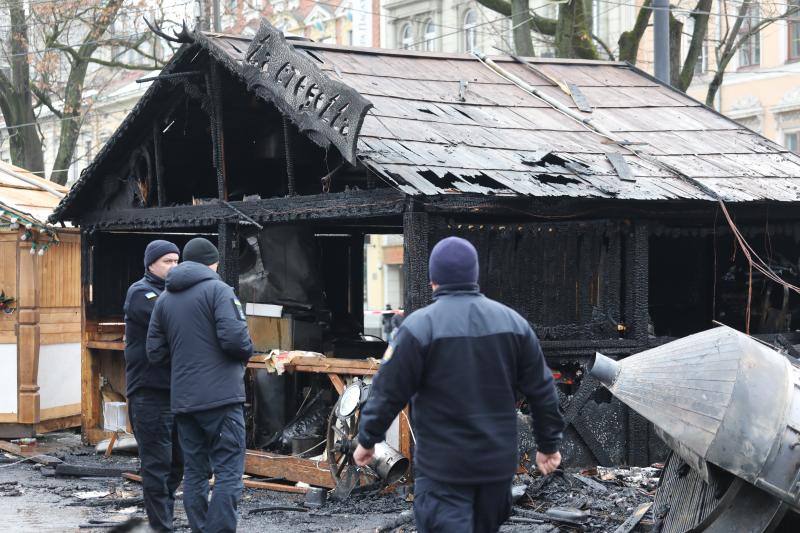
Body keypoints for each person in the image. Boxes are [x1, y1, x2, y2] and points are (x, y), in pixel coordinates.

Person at [355, 236, 566, 533]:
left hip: (444, 469)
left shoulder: (418, 328)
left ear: (433, 280)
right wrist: (548, 446)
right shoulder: (513, 324)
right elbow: (543, 391)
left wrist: (367, 439)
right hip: (496, 470)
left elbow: (388, 391)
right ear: (475, 276)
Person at [147, 238, 253, 533]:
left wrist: (185, 367)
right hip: (221, 399)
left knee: (194, 471)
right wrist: (246, 352)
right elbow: (235, 339)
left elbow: (154, 353)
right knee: (228, 471)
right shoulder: (219, 290)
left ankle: (200, 528)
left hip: (184, 401)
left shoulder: (165, 299)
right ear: (213, 262)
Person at [123, 240, 183, 532]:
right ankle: (162, 527)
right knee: (157, 466)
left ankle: (163, 519)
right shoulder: (140, 293)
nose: (173, 266)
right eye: (167, 262)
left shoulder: (175, 294)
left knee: (178, 463)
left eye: (176, 261)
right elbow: (171, 320)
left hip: (177, 393)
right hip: (149, 393)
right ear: (150, 265)